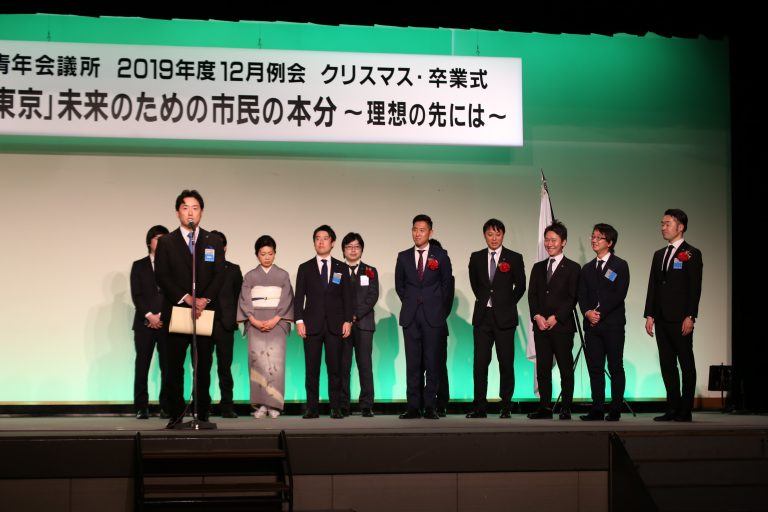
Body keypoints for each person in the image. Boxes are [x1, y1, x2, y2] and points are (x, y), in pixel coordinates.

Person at [154, 189, 224, 428]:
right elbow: (162, 275)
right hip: (176, 311)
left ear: (201, 212)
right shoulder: (167, 242)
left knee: (203, 366)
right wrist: (187, 298)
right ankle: (175, 414)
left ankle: (202, 414)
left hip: (204, 312)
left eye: (195, 208)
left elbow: (219, 275)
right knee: (173, 367)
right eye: (185, 208)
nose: (190, 213)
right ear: (177, 212)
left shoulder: (213, 241)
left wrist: (204, 299)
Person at [644, 209, 703, 422]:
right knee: (667, 364)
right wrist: (650, 315)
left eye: (667, 223)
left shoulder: (691, 253)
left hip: (681, 318)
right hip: (661, 318)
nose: (663, 227)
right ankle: (672, 408)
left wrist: (690, 316)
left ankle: (685, 410)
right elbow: (654, 286)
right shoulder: (659, 254)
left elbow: (695, 288)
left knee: (686, 363)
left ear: (681, 227)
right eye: (662, 223)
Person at [466, 219, 526, 419]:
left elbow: (521, 286)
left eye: (497, 234)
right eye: (490, 234)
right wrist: (486, 300)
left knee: (506, 363)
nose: (494, 238)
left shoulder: (514, 258)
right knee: (480, 364)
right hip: (483, 317)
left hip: (505, 318)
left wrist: (507, 303)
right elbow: (475, 284)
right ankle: (479, 406)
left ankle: (506, 405)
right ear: (485, 235)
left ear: (503, 235)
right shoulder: (476, 257)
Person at [394, 214, 453, 420]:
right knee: (412, 364)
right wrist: (412, 301)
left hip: (433, 317)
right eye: (415, 229)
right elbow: (400, 286)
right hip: (411, 316)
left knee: (432, 363)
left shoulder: (441, 256)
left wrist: (435, 307)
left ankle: (430, 406)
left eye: (422, 230)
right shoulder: (403, 256)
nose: (417, 233)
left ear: (430, 232)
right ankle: (413, 406)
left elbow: (446, 286)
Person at [294, 225, 354, 419]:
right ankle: (312, 408)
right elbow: (299, 297)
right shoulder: (305, 268)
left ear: (333, 242)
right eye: (317, 238)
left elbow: (348, 297)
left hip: (335, 326)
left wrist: (348, 320)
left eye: (325, 238)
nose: (321, 242)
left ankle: (335, 407)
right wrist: (299, 320)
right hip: (311, 325)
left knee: (335, 369)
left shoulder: (341, 267)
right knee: (311, 369)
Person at [527, 220, 579, 420]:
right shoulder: (538, 267)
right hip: (541, 326)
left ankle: (566, 407)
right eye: (547, 240)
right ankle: (545, 407)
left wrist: (556, 317)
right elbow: (532, 295)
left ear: (563, 242)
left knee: (565, 369)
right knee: (542, 369)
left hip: (562, 326)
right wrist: (537, 316)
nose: (549, 244)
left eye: (554, 240)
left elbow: (572, 297)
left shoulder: (573, 267)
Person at [578, 223, 630, 422]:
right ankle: (597, 408)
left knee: (615, 366)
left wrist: (598, 313)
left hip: (613, 325)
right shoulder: (587, 268)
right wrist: (587, 312)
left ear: (610, 242)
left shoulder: (620, 265)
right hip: (592, 327)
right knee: (595, 368)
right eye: (593, 236)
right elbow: (582, 295)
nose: (594, 240)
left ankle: (615, 409)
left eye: (599, 237)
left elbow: (619, 294)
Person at [238, 235, 294, 419]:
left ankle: (274, 404)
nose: (267, 257)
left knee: (275, 364)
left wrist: (275, 319)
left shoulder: (283, 275)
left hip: (276, 323)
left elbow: (286, 300)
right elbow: (245, 300)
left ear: (275, 254)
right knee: (258, 363)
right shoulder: (250, 276)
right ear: (257, 255)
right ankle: (260, 404)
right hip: (256, 322)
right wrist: (253, 320)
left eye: (270, 253)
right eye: (263, 254)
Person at [130, 224, 170, 420]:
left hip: (166, 322)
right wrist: (149, 315)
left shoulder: (172, 267)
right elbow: (136, 295)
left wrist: (162, 315)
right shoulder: (139, 265)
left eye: (164, 239)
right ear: (149, 242)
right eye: (157, 239)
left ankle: (166, 406)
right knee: (142, 365)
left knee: (167, 367)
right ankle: (141, 407)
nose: (161, 242)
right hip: (144, 323)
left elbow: (174, 294)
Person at [339, 232, 378, 417]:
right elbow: (334, 297)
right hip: (343, 325)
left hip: (364, 324)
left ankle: (367, 405)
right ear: (343, 250)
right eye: (349, 247)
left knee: (365, 365)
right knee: (343, 366)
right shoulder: (337, 271)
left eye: (356, 247)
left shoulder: (370, 270)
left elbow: (372, 296)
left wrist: (355, 315)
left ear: (361, 250)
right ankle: (343, 405)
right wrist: (346, 317)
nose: (353, 250)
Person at [209, 230, 243, 419]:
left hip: (225, 324)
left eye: (219, 244)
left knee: (225, 368)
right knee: (202, 368)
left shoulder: (233, 269)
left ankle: (227, 406)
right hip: (204, 322)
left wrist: (235, 320)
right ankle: (202, 406)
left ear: (225, 247)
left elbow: (239, 297)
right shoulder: (200, 269)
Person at [429, 238, 454, 417]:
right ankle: (422, 402)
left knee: (438, 366)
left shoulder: (447, 278)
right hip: (417, 327)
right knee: (419, 366)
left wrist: (433, 320)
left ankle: (441, 402)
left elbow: (447, 304)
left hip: (438, 327)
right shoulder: (416, 275)